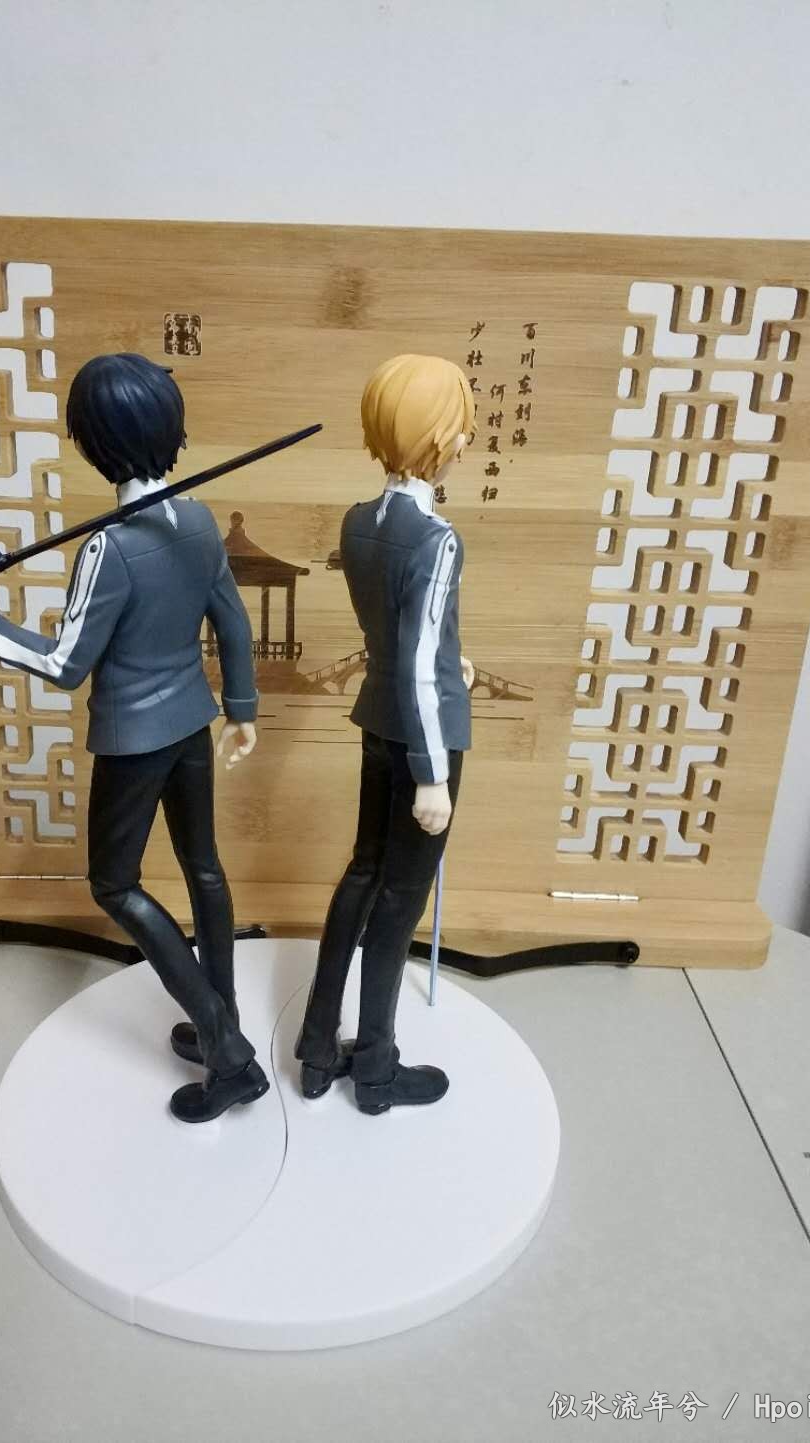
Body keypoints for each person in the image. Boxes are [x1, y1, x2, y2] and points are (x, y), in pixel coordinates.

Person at [0, 353, 268, 1123]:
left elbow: (63, 664)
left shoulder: (109, 548)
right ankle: (224, 1017)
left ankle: (228, 1049)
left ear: (95, 444)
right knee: (203, 868)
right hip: (192, 720)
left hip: (135, 738)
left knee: (114, 885)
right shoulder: (199, 517)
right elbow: (233, 621)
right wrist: (240, 708)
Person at [295, 354, 476, 1116]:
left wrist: (449, 663)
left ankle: (316, 1047)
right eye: (458, 427)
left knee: (362, 876)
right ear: (438, 437)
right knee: (399, 903)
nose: (465, 441)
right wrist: (432, 772)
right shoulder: (436, 539)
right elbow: (418, 660)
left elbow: (400, 639)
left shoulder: (358, 522)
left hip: (375, 719)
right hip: (422, 737)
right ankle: (374, 1067)